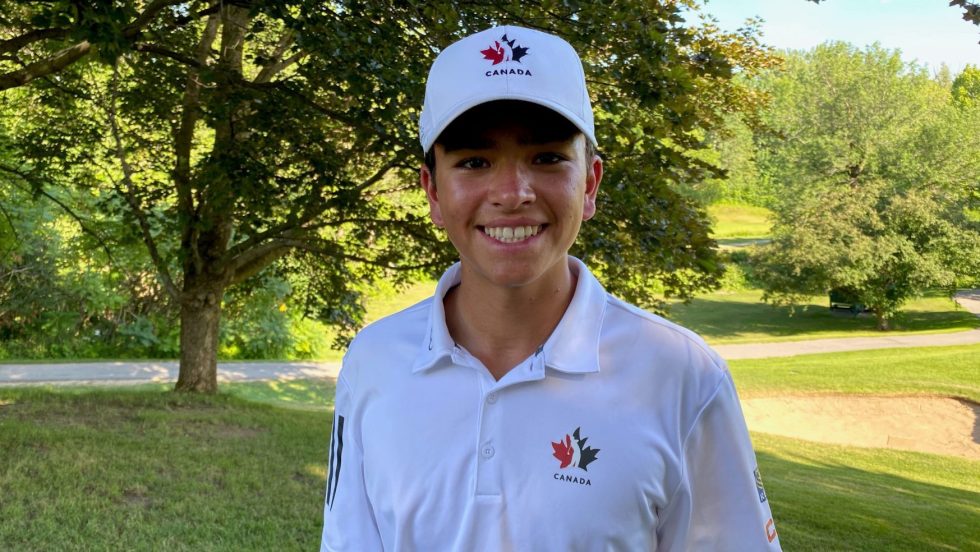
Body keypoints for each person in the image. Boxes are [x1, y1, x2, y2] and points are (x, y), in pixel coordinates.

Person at [321, 24, 781, 551]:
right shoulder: (374, 361)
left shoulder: (682, 376)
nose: (512, 193)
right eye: (474, 162)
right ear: (433, 191)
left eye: (546, 158)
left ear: (589, 183)